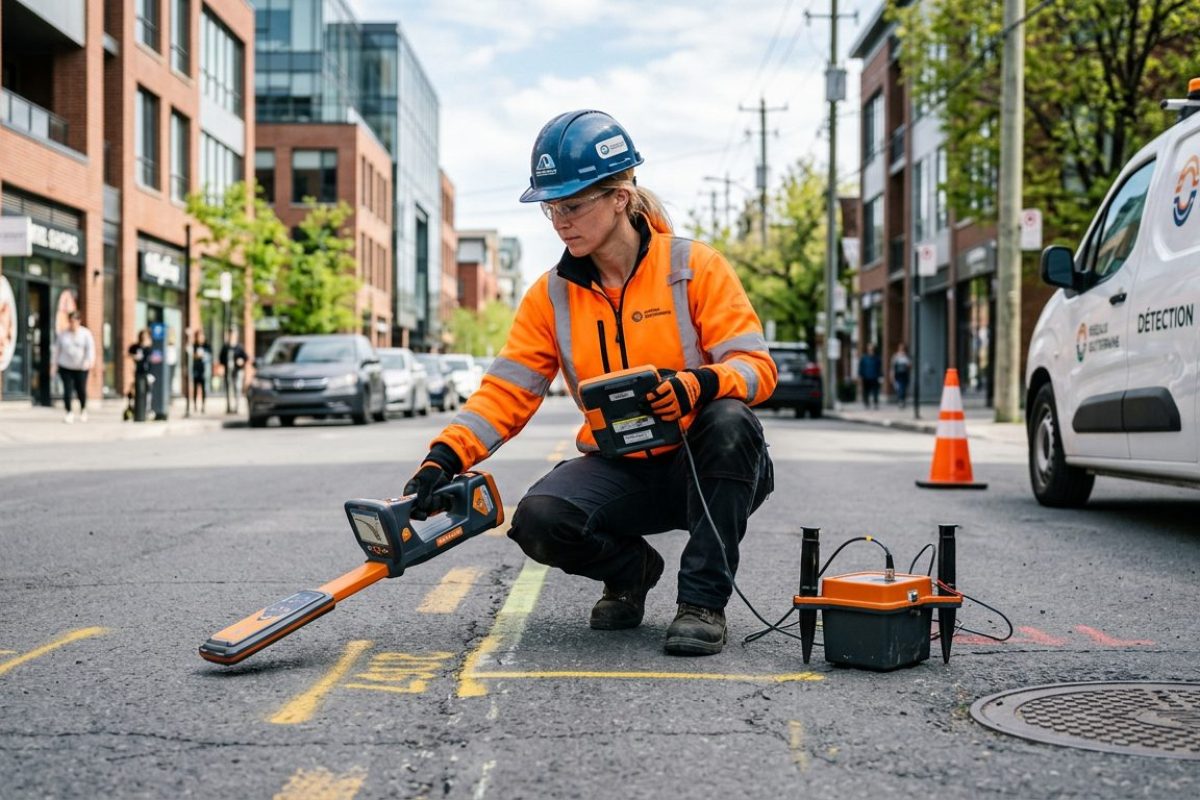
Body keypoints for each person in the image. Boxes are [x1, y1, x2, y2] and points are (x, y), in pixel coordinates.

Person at [403, 110, 777, 656]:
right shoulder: (551, 295)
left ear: (620, 197)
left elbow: (756, 367)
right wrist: (444, 457)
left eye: (572, 205)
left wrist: (699, 384)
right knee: (540, 519)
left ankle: (701, 603)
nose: (560, 220)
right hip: (622, 468)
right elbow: (507, 390)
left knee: (729, 420)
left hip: (708, 466)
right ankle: (632, 572)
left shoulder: (695, 267)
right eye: (551, 207)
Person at [55, 310, 95, 423]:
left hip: (81, 367)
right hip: (65, 366)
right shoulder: (63, 334)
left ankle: (83, 410)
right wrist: (54, 365)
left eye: (74, 321)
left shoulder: (85, 333)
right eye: (70, 321)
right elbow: (57, 350)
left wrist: (89, 361)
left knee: (81, 390)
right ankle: (69, 412)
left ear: (79, 321)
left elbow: (90, 349)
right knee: (67, 390)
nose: (72, 323)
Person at [219, 331, 249, 414]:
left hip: (238, 370)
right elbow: (221, 359)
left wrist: (241, 361)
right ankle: (228, 407)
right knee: (228, 389)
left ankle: (237, 407)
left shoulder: (239, 347)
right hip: (228, 371)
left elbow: (246, 357)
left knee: (237, 388)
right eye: (230, 336)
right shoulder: (225, 347)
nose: (231, 337)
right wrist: (222, 367)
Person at [128, 328, 153, 422]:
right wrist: (134, 357)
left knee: (148, 391)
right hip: (138, 372)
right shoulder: (137, 347)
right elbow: (128, 352)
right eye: (143, 336)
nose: (144, 338)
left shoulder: (150, 348)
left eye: (146, 336)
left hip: (148, 372)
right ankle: (135, 410)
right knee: (137, 391)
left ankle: (148, 410)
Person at [192, 329, 212, 413]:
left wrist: (204, 356)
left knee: (204, 389)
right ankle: (195, 406)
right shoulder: (194, 346)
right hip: (196, 370)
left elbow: (210, 356)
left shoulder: (207, 346)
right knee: (195, 388)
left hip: (204, 370)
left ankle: (203, 406)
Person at [858, 344, 882, 409]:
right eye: (869, 349)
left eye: (872, 349)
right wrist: (860, 376)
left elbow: (879, 368)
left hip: (875, 377)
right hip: (866, 377)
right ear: (867, 350)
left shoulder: (877, 358)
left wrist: (881, 376)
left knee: (875, 391)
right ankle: (866, 403)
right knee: (866, 391)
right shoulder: (864, 358)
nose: (871, 350)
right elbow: (861, 368)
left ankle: (875, 403)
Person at [891, 342, 911, 409]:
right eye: (900, 348)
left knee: (904, 388)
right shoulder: (895, 356)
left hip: (905, 375)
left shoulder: (906, 357)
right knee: (899, 388)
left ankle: (902, 400)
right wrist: (892, 375)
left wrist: (905, 358)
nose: (901, 349)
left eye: (903, 348)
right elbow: (893, 367)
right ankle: (900, 400)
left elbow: (910, 366)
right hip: (898, 375)